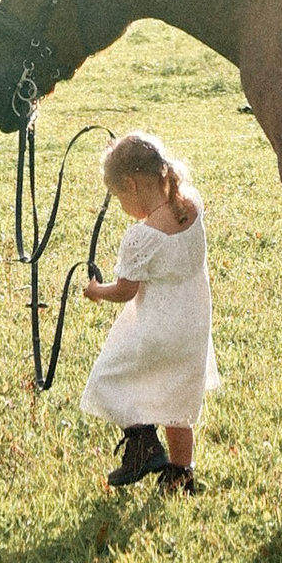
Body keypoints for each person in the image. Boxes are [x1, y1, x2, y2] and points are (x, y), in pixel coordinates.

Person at [81, 129, 219, 493]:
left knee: (109, 378)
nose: (124, 208)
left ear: (131, 184)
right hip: (192, 323)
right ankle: (181, 474)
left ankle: (143, 443)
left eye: (119, 198)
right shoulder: (191, 203)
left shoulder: (142, 237)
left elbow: (126, 291)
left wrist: (96, 290)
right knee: (176, 400)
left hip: (157, 325)